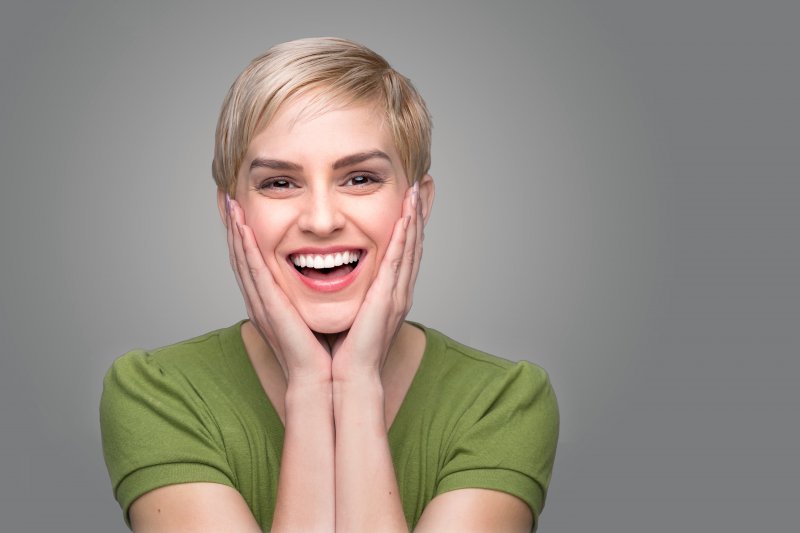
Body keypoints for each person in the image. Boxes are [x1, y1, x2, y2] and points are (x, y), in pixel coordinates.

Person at [100, 37, 558, 532]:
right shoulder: (158, 392)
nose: (321, 220)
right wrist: (311, 387)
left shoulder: (502, 401)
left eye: (360, 178)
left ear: (418, 204)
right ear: (231, 212)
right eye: (279, 182)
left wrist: (358, 386)